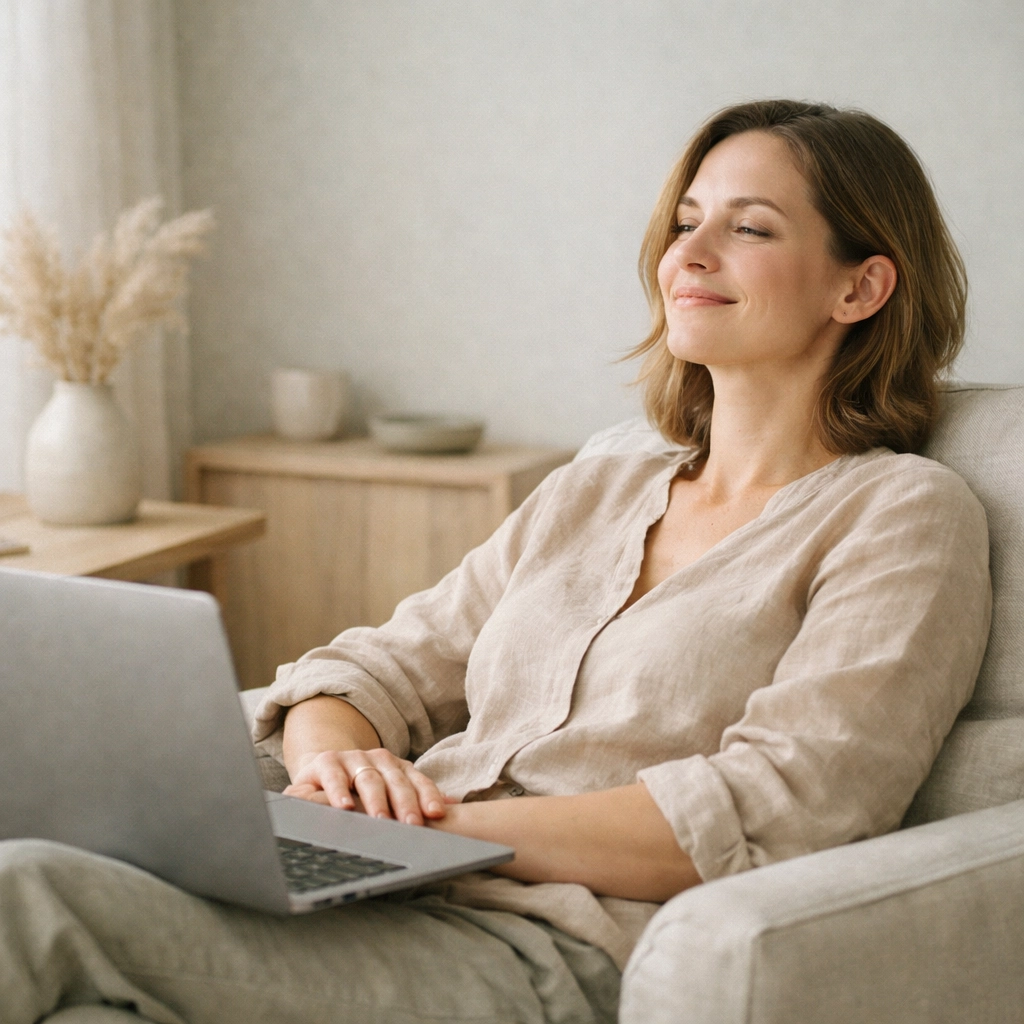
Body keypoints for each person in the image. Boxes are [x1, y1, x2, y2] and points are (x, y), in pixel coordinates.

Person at [0, 100, 991, 1024]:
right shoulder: (599, 485)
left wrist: (430, 837)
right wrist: (334, 766)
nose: (686, 253)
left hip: (533, 943)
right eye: (685, 220)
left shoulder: (901, 514)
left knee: (27, 894)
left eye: (750, 227)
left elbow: (783, 807)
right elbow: (378, 664)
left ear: (859, 285)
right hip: (368, 890)